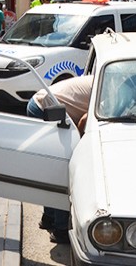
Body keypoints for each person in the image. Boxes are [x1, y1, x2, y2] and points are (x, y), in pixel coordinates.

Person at [26, 75, 94, 244]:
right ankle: (61, 229)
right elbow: (85, 120)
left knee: (50, 167)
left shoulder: (103, 78)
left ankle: (48, 217)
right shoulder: (107, 90)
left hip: (39, 102)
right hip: (44, 108)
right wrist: (79, 145)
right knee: (60, 169)